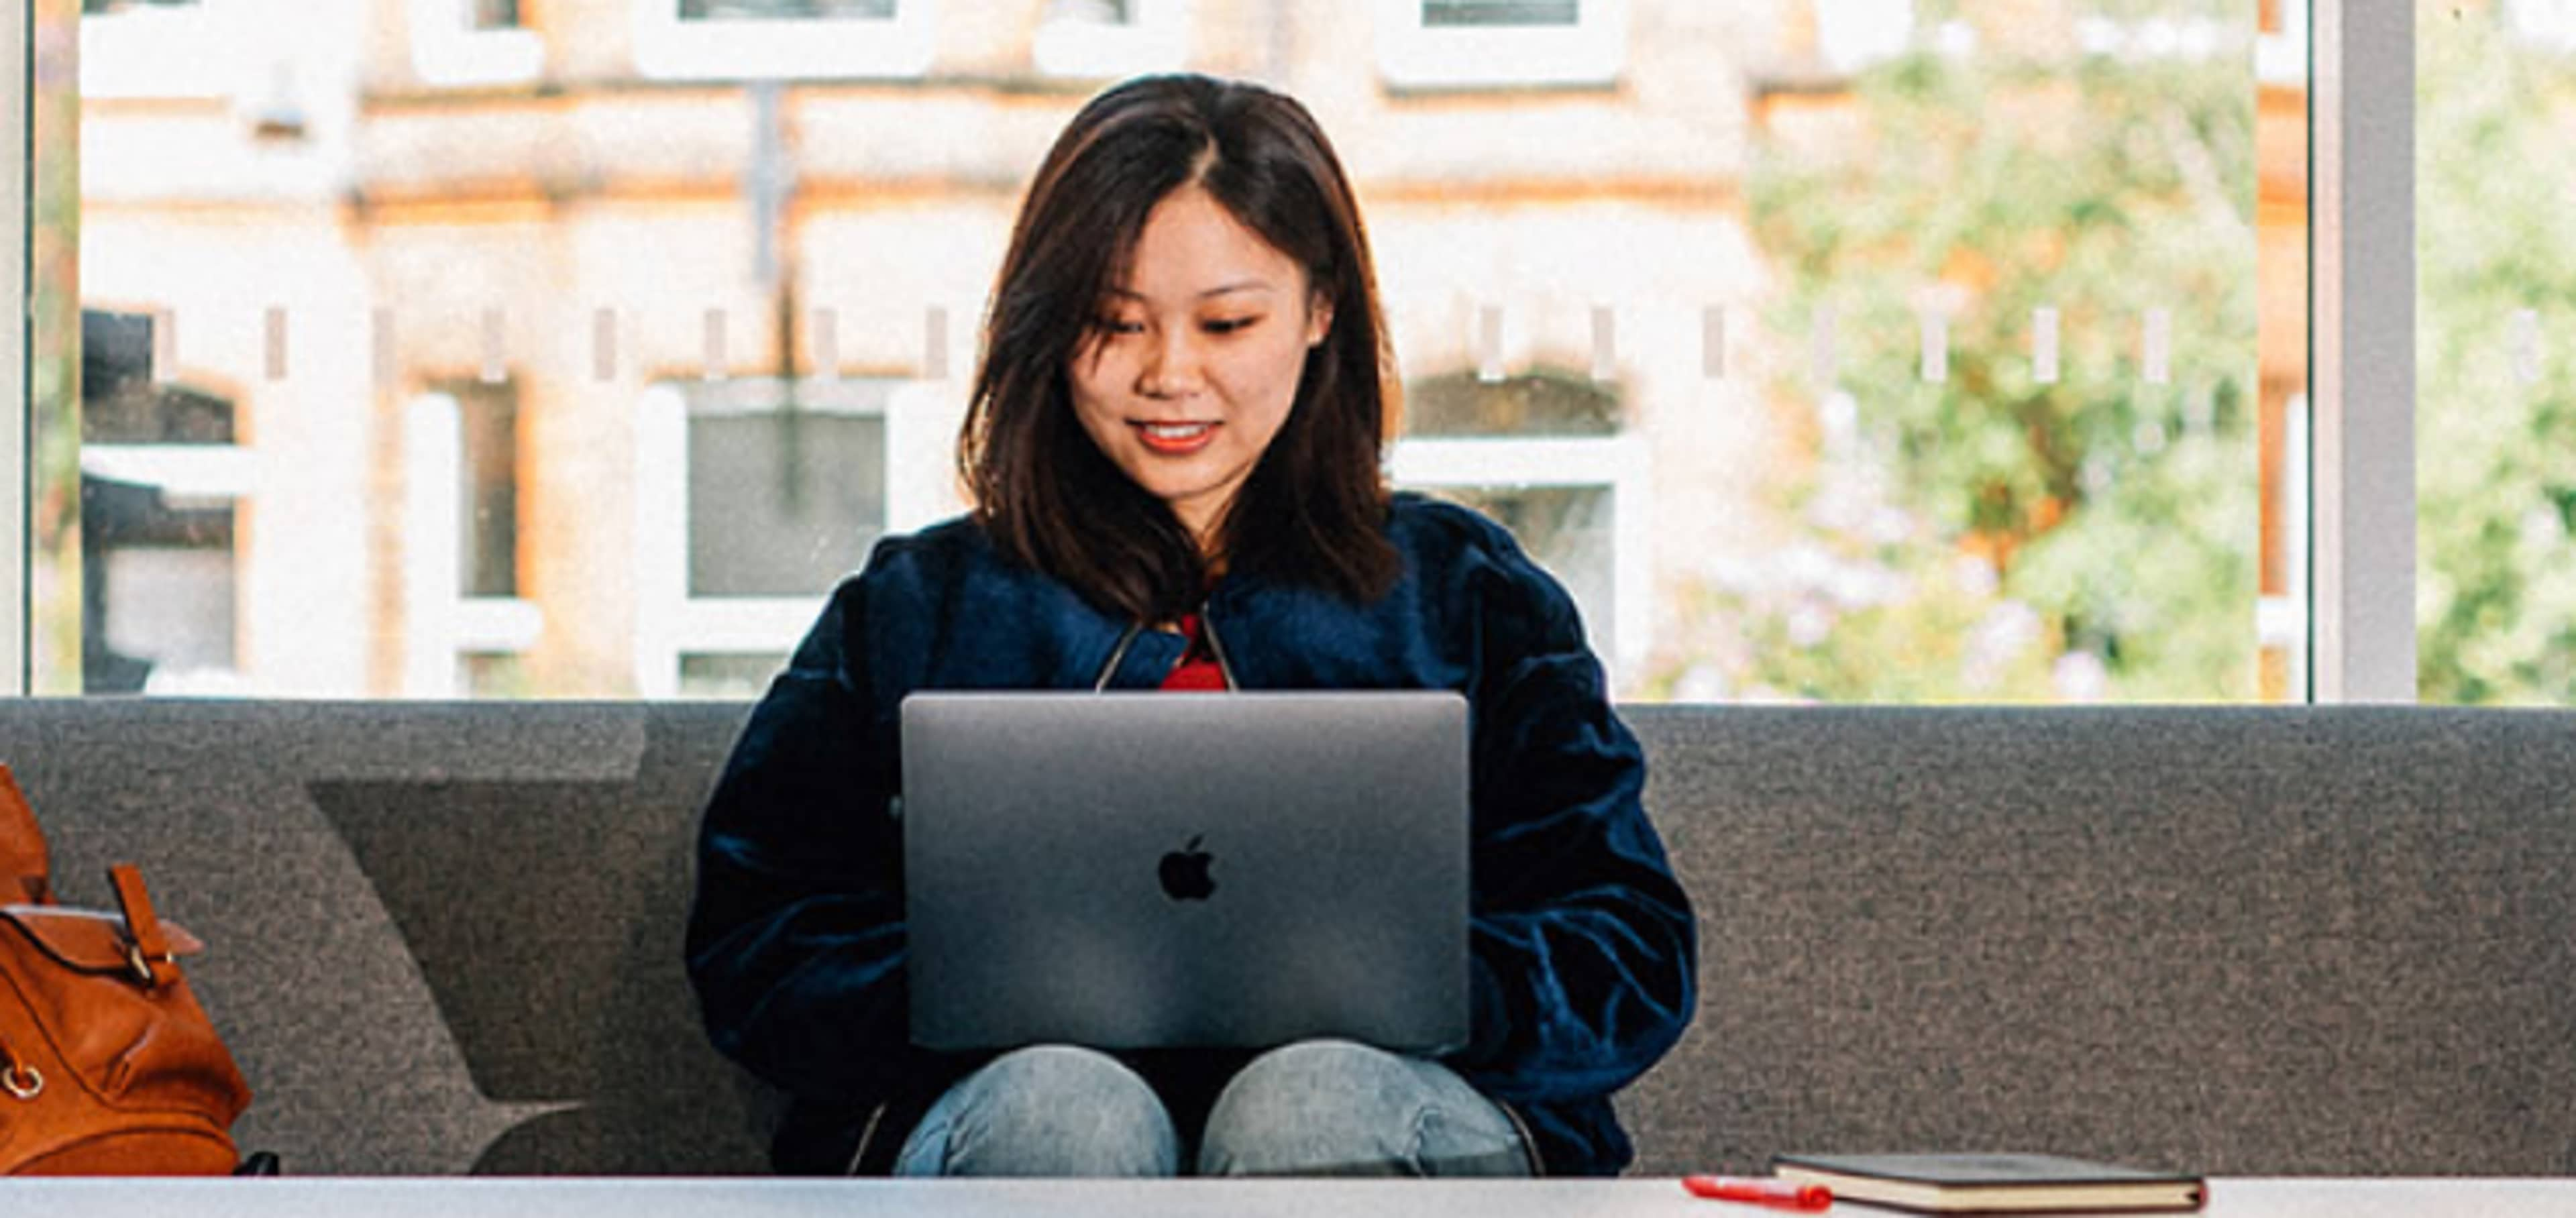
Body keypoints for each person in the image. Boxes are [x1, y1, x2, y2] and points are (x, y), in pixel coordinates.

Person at [685, 72, 1696, 1180]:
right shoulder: (919, 605)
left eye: (1228, 322)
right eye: (1113, 325)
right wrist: (972, 989)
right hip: (1018, 1126)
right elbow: (758, 941)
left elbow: (1631, 950)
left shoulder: (1467, 591)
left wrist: (1416, 987)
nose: (1171, 377)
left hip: (1382, 1107)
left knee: (1307, 1104)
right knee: (1065, 1107)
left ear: (1320, 313)